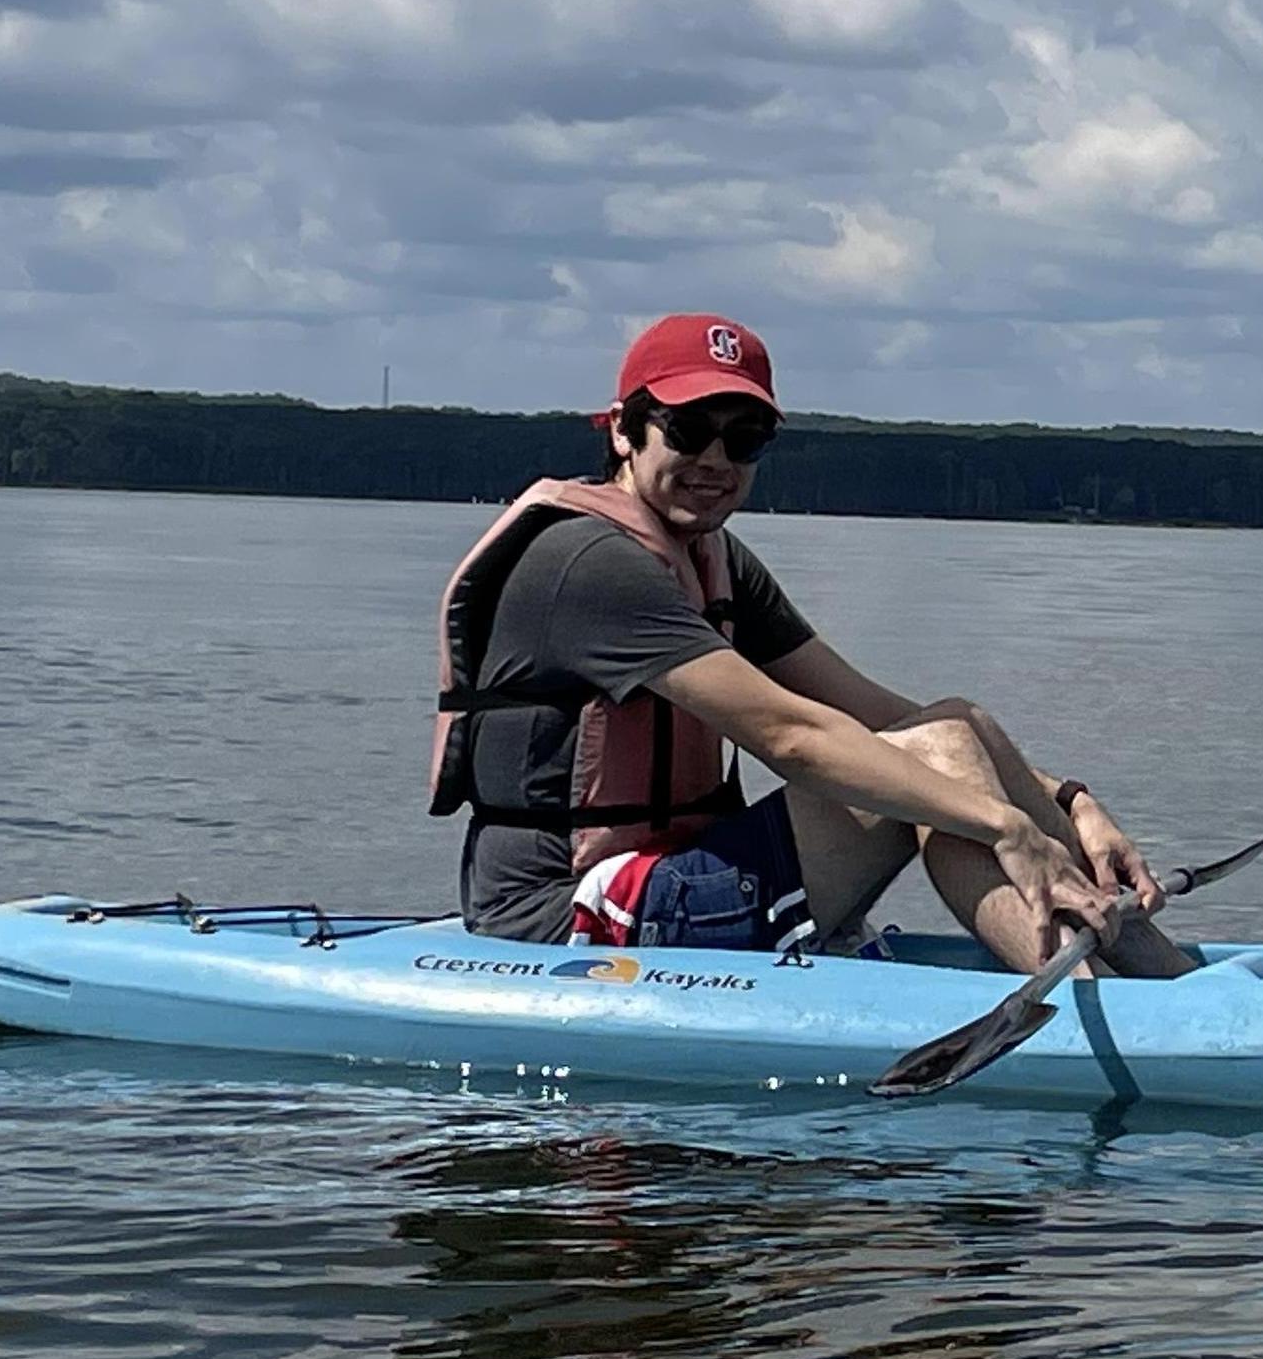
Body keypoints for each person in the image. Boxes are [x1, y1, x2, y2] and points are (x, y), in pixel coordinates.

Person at [431, 312, 1197, 975]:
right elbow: (792, 738)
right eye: (689, 430)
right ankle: (1090, 1003)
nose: (716, 462)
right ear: (625, 432)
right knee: (937, 761)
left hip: (674, 876)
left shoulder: (712, 559)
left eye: (745, 439)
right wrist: (1006, 827)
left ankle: (1160, 975)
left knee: (955, 724)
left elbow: (882, 714)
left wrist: (1071, 801)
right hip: (561, 918)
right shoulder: (593, 566)